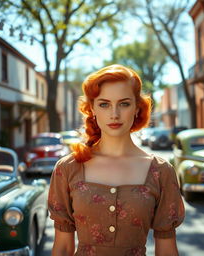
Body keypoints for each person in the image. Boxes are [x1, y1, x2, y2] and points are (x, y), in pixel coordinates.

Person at [48, 64, 185, 256]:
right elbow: (62, 248)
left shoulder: (161, 171)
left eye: (124, 103)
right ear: (92, 109)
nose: (114, 114)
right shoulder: (68, 168)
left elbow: (167, 251)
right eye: (104, 104)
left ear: (137, 108)